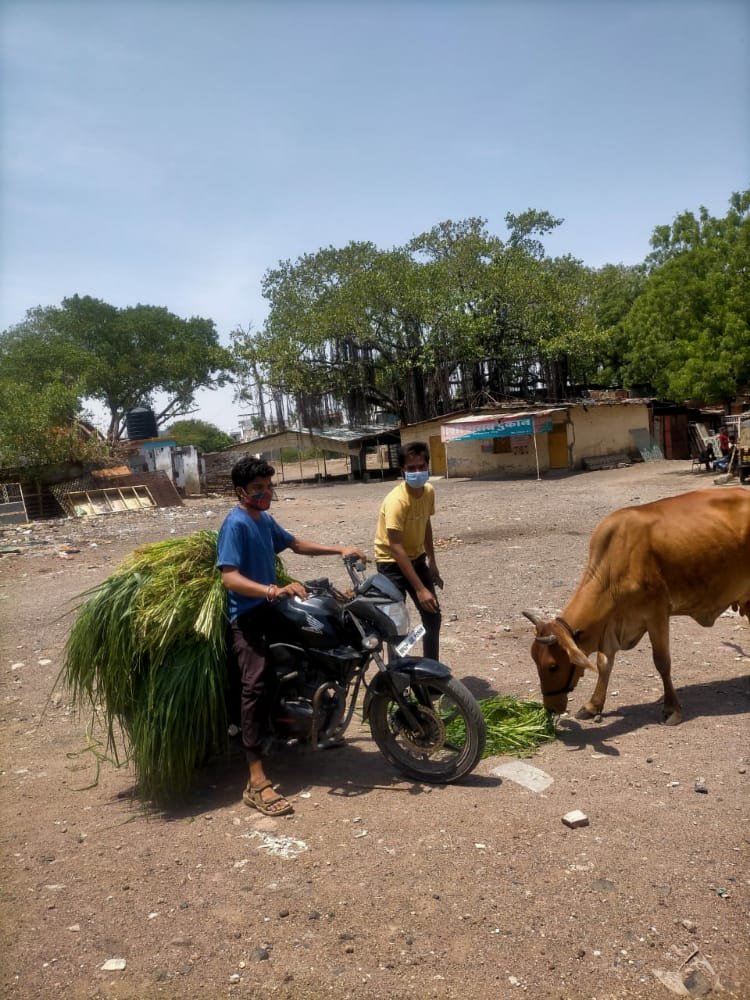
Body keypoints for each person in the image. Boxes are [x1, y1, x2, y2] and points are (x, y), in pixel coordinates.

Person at [217, 456, 366, 817]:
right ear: (241, 492)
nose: (266, 494)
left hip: (272, 608)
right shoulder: (235, 523)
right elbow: (229, 577)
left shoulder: (264, 519)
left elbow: (296, 544)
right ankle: (255, 779)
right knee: (256, 681)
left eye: (269, 487)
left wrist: (340, 549)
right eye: (258, 489)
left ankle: (319, 721)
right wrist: (271, 590)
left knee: (327, 639)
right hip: (248, 616)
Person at [374, 441, 443, 660]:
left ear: (428, 465)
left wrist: (432, 562)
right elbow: (395, 548)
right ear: (402, 470)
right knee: (397, 623)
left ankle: (432, 676)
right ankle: (398, 677)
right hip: (391, 563)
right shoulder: (397, 501)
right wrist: (420, 589)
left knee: (433, 617)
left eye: (421, 466)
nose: (417, 472)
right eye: (411, 469)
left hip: (416, 558)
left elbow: (426, 525)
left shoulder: (429, 491)